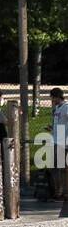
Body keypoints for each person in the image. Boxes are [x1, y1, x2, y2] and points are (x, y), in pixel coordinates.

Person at [51, 87, 68, 215]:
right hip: (56, 140)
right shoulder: (56, 109)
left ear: (57, 97)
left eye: (52, 97)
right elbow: (58, 123)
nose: (51, 100)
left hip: (63, 141)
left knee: (62, 168)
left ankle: (62, 192)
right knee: (56, 167)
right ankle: (58, 190)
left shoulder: (66, 107)